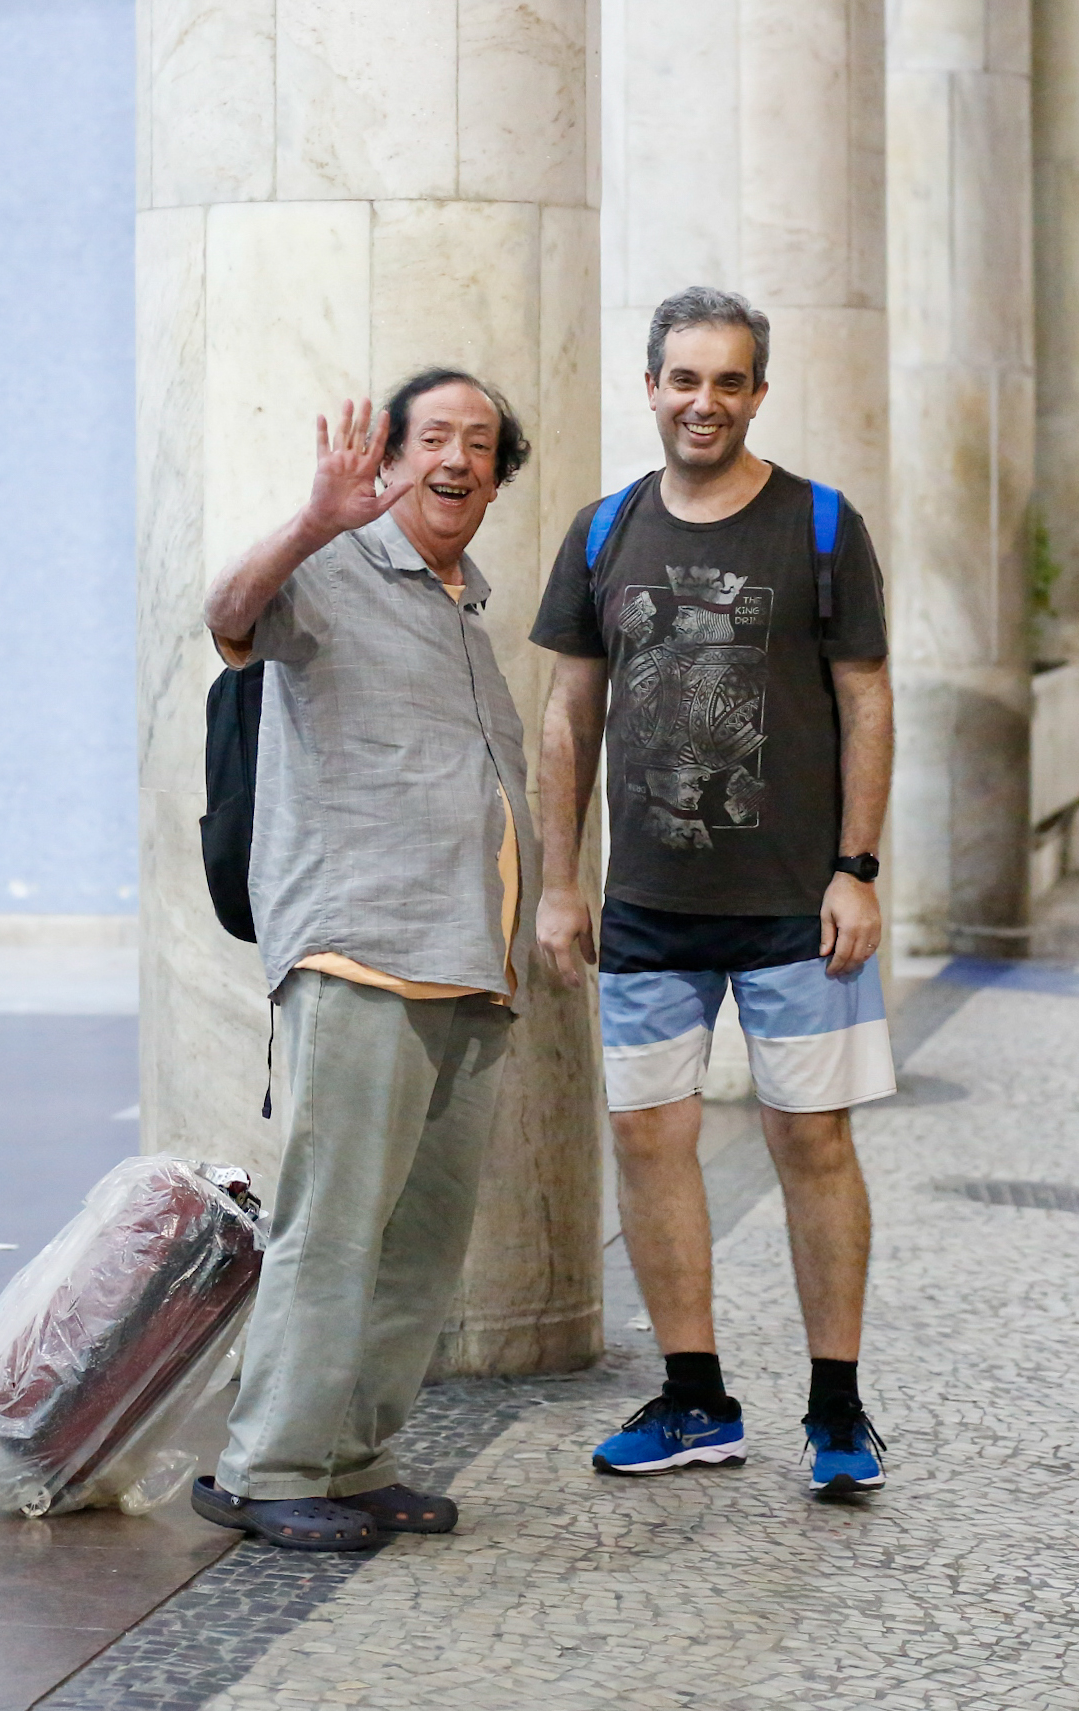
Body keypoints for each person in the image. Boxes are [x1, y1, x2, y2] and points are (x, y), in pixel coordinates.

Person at [530, 287, 896, 1497]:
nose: (705, 402)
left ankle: (836, 1412)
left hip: (801, 902)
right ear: (649, 386)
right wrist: (558, 881)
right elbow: (568, 714)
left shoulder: (821, 527)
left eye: (729, 381)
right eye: (684, 379)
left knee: (813, 1142)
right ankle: (697, 1399)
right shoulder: (603, 531)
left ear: (757, 392)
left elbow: (866, 698)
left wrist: (858, 868)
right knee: (647, 1138)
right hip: (646, 907)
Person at [192, 370, 534, 1550]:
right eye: (434, 436)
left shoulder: (465, 609)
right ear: (389, 461)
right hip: (359, 957)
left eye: (481, 444)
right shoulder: (328, 574)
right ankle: (268, 1465)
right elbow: (228, 615)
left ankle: (353, 1454)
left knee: (420, 1246)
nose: (459, 458)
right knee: (334, 1228)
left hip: (466, 969)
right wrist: (311, 519)